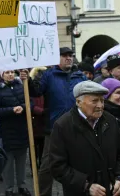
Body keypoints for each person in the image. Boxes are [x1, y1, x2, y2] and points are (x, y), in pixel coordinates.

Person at [21, 47, 87, 196]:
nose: (68, 58)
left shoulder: (80, 76)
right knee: (47, 166)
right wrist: (28, 80)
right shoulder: (49, 75)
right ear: (57, 59)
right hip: (54, 129)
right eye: (64, 56)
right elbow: (35, 91)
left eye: (70, 56)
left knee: (76, 164)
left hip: (78, 128)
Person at [49, 81, 120, 196]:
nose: (100, 106)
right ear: (79, 102)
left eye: (102, 100)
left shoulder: (110, 120)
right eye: (94, 101)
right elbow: (58, 167)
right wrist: (86, 185)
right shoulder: (63, 126)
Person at [0, 70, 31, 196]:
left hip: (21, 130)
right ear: (2, 75)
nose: (10, 74)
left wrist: (23, 107)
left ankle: (22, 185)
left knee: (22, 160)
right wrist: (11, 110)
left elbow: (30, 102)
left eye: (12, 72)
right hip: (7, 130)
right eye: (7, 72)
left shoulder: (21, 86)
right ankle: (9, 187)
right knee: (8, 161)